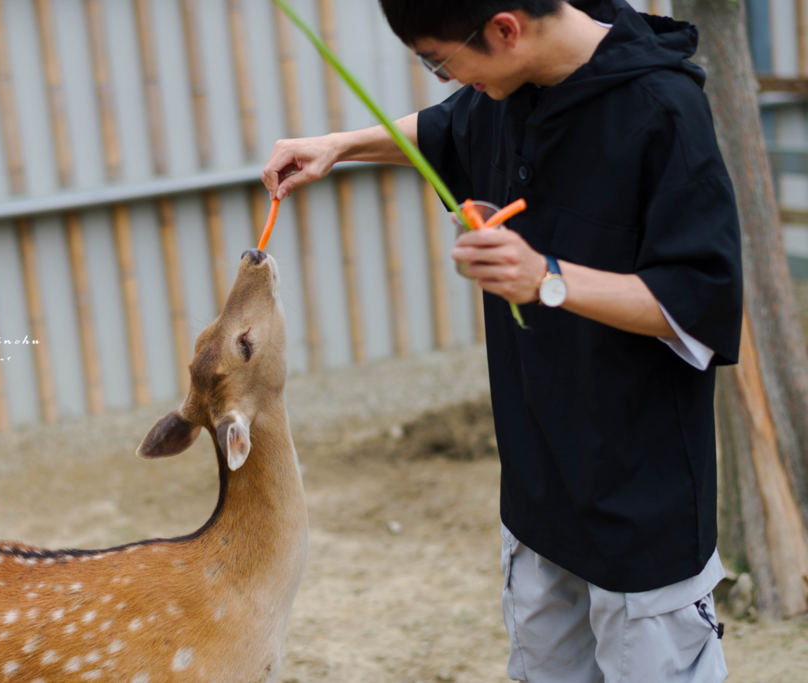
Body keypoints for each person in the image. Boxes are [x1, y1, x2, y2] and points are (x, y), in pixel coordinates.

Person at [261, 0, 743, 680]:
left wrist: (546, 278)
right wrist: (338, 145)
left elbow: (700, 302)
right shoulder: (515, 86)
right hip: (537, 497)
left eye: (439, 61)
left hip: (641, 511)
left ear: (506, 29)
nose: (446, 79)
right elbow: (446, 128)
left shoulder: (661, 111)